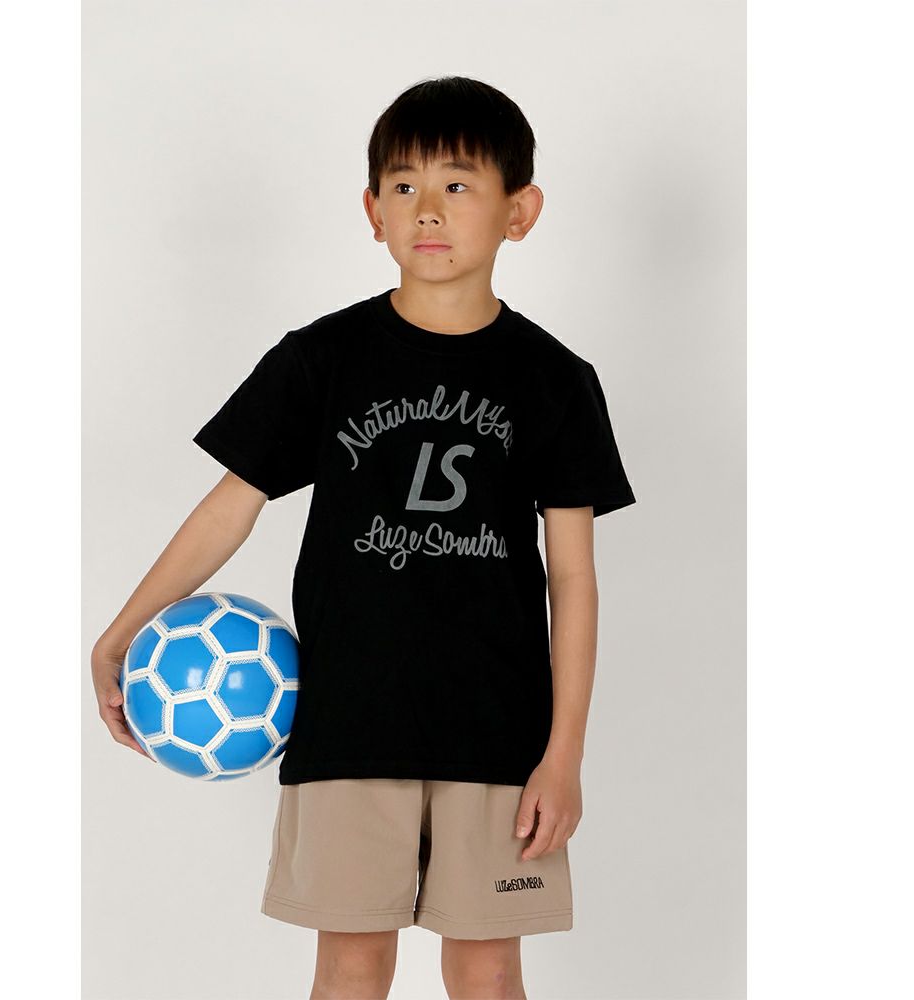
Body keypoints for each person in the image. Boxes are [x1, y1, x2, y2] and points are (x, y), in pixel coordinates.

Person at [92, 75, 637, 1000]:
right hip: (348, 726)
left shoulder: (555, 380)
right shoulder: (322, 359)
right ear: (372, 210)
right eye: (403, 186)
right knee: (350, 963)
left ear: (520, 211)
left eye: (458, 184)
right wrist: (123, 629)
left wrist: (564, 754)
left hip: (499, 737)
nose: (428, 209)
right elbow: (231, 505)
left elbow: (573, 579)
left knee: (488, 966)